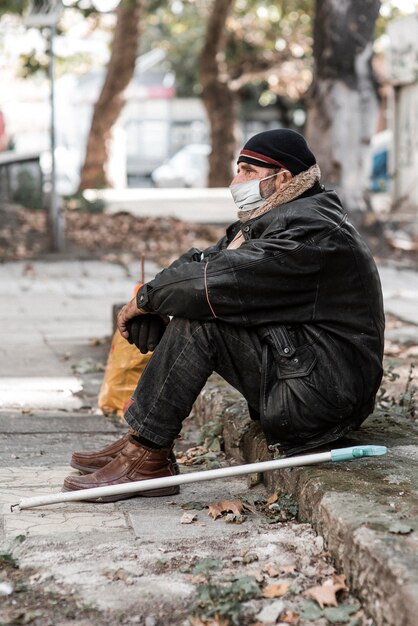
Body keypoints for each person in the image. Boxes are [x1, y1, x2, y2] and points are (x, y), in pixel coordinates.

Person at [63, 129, 384, 501]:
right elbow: (204, 262)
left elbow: (214, 281)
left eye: (248, 170)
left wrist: (147, 299)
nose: (236, 181)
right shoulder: (278, 215)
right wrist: (152, 302)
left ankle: (148, 453)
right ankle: (141, 443)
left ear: (282, 178)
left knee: (202, 325)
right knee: (199, 311)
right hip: (303, 371)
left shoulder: (312, 232)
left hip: (323, 396)